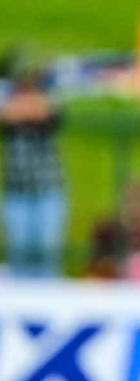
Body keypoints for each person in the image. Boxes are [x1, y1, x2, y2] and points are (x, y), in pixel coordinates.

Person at [0, 57, 67, 277]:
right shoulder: (7, 95)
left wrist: (22, 108)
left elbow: (49, 112)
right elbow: (7, 115)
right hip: (17, 189)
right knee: (19, 251)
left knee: (48, 251)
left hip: (48, 188)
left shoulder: (49, 94)